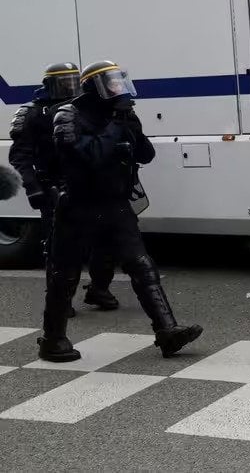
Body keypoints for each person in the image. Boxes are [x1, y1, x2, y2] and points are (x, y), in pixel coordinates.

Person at [38, 60, 202, 363]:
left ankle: (167, 331)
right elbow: (89, 156)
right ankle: (53, 340)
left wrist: (133, 127)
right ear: (94, 88)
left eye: (119, 82)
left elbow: (146, 155)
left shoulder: (119, 115)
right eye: (111, 83)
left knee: (142, 266)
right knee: (65, 274)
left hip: (114, 204)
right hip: (78, 206)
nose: (118, 88)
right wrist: (116, 126)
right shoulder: (68, 116)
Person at [8, 63, 120, 315]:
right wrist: (33, 187)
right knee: (62, 247)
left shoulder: (85, 108)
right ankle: (61, 298)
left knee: (107, 238)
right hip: (54, 186)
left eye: (73, 82)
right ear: (48, 85)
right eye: (63, 83)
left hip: (90, 183)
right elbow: (20, 156)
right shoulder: (33, 113)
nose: (69, 88)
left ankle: (99, 288)